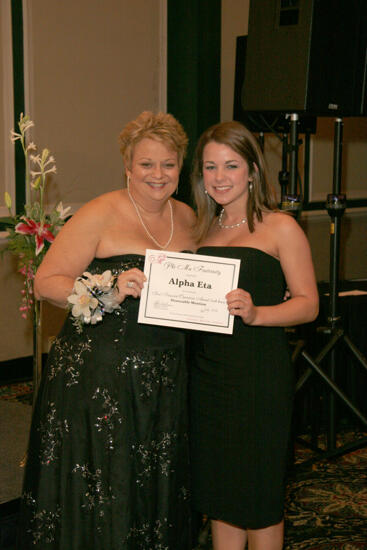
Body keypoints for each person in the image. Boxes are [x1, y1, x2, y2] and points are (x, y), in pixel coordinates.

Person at [17, 111, 196, 549]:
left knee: (150, 481)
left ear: (180, 167)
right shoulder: (101, 210)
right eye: (146, 164)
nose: (158, 174)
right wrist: (109, 292)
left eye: (168, 164)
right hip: (99, 377)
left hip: (164, 375)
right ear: (128, 166)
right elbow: (46, 282)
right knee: (104, 482)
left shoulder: (190, 218)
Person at [189, 121, 319, 550]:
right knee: (221, 493)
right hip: (208, 377)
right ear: (201, 175)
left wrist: (258, 312)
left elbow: (308, 303)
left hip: (259, 377)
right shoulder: (200, 232)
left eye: (231, 165)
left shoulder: (280, 226)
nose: (220, 176)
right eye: (211, 167)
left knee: (259, 496)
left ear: (251, 171)